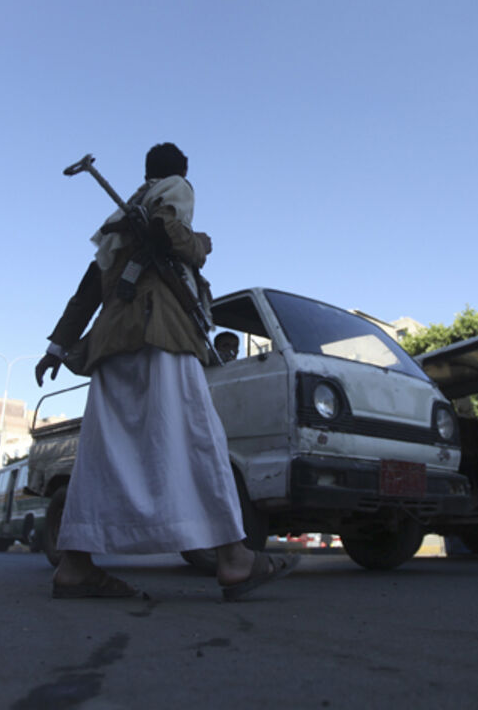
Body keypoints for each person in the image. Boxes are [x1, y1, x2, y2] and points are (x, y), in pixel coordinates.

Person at [35, 143, 297, 601]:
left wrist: (56, 349)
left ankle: (75, 565)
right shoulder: (175, 188)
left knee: (105, 455)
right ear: (181, 171)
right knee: (198, 438)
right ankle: (235, 559)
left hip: (112, 343)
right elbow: (168, 230)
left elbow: (88, 289)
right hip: (162, 336)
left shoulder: (117, 223)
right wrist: (200, 244)